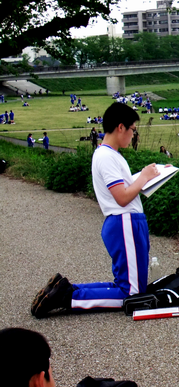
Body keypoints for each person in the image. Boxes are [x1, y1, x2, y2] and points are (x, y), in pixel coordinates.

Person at [31, 102, 160, 318]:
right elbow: (121, 197)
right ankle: (68, 298)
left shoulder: (109, 154)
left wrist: (147, 177)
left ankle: (65, 290)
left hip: (125, 222)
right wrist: (144, 177)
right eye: (133, 129)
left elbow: (123, 189)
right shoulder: (107, 157)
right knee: (132, 294)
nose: (133, 135)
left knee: (124, 285)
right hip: (125, 221)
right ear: (121, 127)